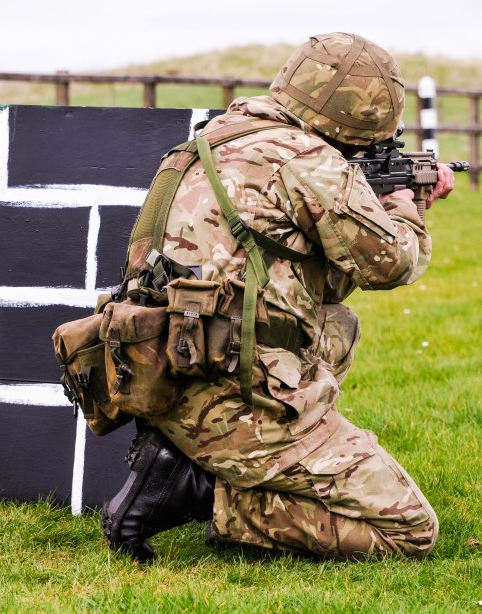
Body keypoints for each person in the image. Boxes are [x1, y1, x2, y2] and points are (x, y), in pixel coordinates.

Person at [101, 32, 455, 562]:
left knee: (338, 324)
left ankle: (200, 456)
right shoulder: (307, 161)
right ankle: (208, 491)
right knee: (409, 532)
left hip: (163, 371)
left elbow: (298, 273)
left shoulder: (213, 137)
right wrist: (407, 205)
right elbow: (393, 263)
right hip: (232, 393)